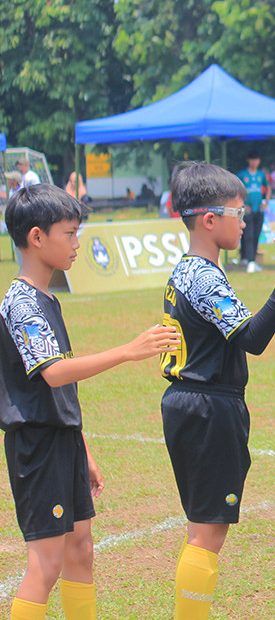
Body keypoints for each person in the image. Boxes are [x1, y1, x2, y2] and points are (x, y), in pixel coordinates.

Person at [1, 184, 179, 620]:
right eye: (69, 233)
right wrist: (127, 351)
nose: (77, 243)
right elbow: (53, 372)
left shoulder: (46, 299)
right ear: (37, 237)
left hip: (62, 441)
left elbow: (59, 390)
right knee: (45, 564)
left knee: (80, 549)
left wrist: (83, 449)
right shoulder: (21, 301)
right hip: (37, 447)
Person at [159, 162, 275, 620]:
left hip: (193, 403)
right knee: (208, 533)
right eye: (238, 212)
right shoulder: (204, 276)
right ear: (209, 220)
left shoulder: (189, 270)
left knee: (202, 529)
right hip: (208, 407)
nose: (246, 220)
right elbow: (252, 339)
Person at [237, 150, 269, 272]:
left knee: (256, 234)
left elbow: (268, 188)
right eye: (252, 159)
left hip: (258, 210)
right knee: (247, 235)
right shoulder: (242, 175)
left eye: (256, 159)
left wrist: (266, 202)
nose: (254, 162)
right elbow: (236, 190)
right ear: (248, 160)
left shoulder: (261, 175)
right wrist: (243, 205)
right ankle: (248, 259)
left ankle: (252, 259)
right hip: (247, 210)